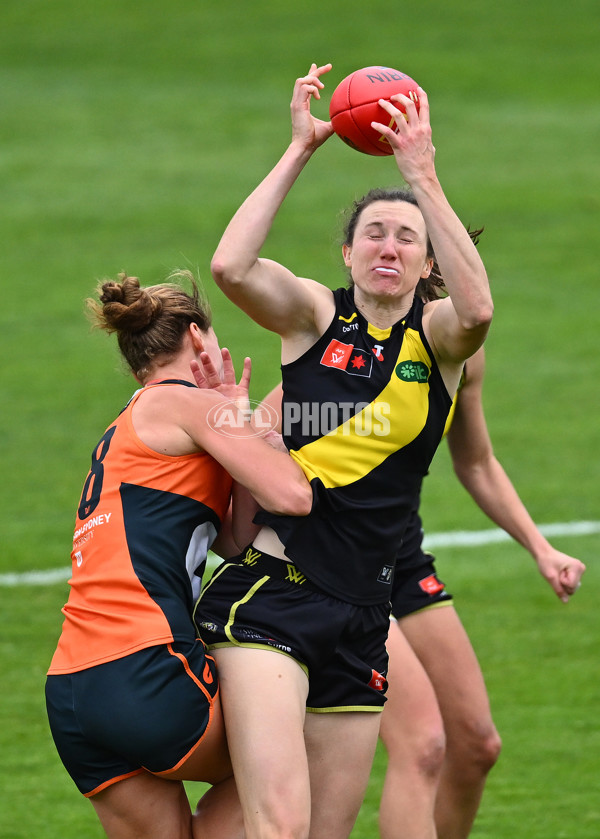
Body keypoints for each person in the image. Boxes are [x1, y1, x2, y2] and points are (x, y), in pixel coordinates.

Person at [194, 62, 493, 839]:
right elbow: (229, 267)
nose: (388, 245)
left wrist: (422, 177)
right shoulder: (312, 317)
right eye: (373, 233)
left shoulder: (439, 343)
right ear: (349, 252)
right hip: (273, 594)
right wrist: (299, 150)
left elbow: (480, 307)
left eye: (407, 238)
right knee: (282, 828)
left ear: (428, 265)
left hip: (364, 614)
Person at [258, 344, 586, 839]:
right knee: (425, 742)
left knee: (476, 744)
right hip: (339, 565)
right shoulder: (345, 339)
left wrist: (541, 549)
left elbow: (476, 462)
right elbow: (257, 432)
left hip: (401, 555)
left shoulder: (464, 352)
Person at [45, 271, 312, 839]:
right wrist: (297, 379)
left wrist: (238, 419)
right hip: (147, 670)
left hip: (73, 691)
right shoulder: (187, 406)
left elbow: (232, 541)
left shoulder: (132, 422)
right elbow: (291, 495)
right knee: (304, 738)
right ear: (198, 338)